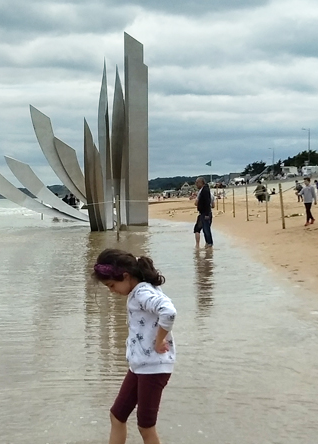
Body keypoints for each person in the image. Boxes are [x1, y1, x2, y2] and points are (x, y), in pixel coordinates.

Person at [92, 249, 177, 444]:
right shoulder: (140, 290)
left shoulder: (142, 292)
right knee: (117, 416)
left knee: (146, 427)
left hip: (154, 367)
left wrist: (159, 340)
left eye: (112, 285)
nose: (112, 291)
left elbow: (169, 312)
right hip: (140, 365)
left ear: (126, 276)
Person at [193, 177, 213, 248]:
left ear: (202, 183)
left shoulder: (205, 190)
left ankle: (209, 244)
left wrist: (207, 213)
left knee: (206, 229)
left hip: (205, 213)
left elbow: (207, 202)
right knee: (205, 229)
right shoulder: (204, 190)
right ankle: (207, 244)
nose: (196, 184)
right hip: (204, 213)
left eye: (197, 183)